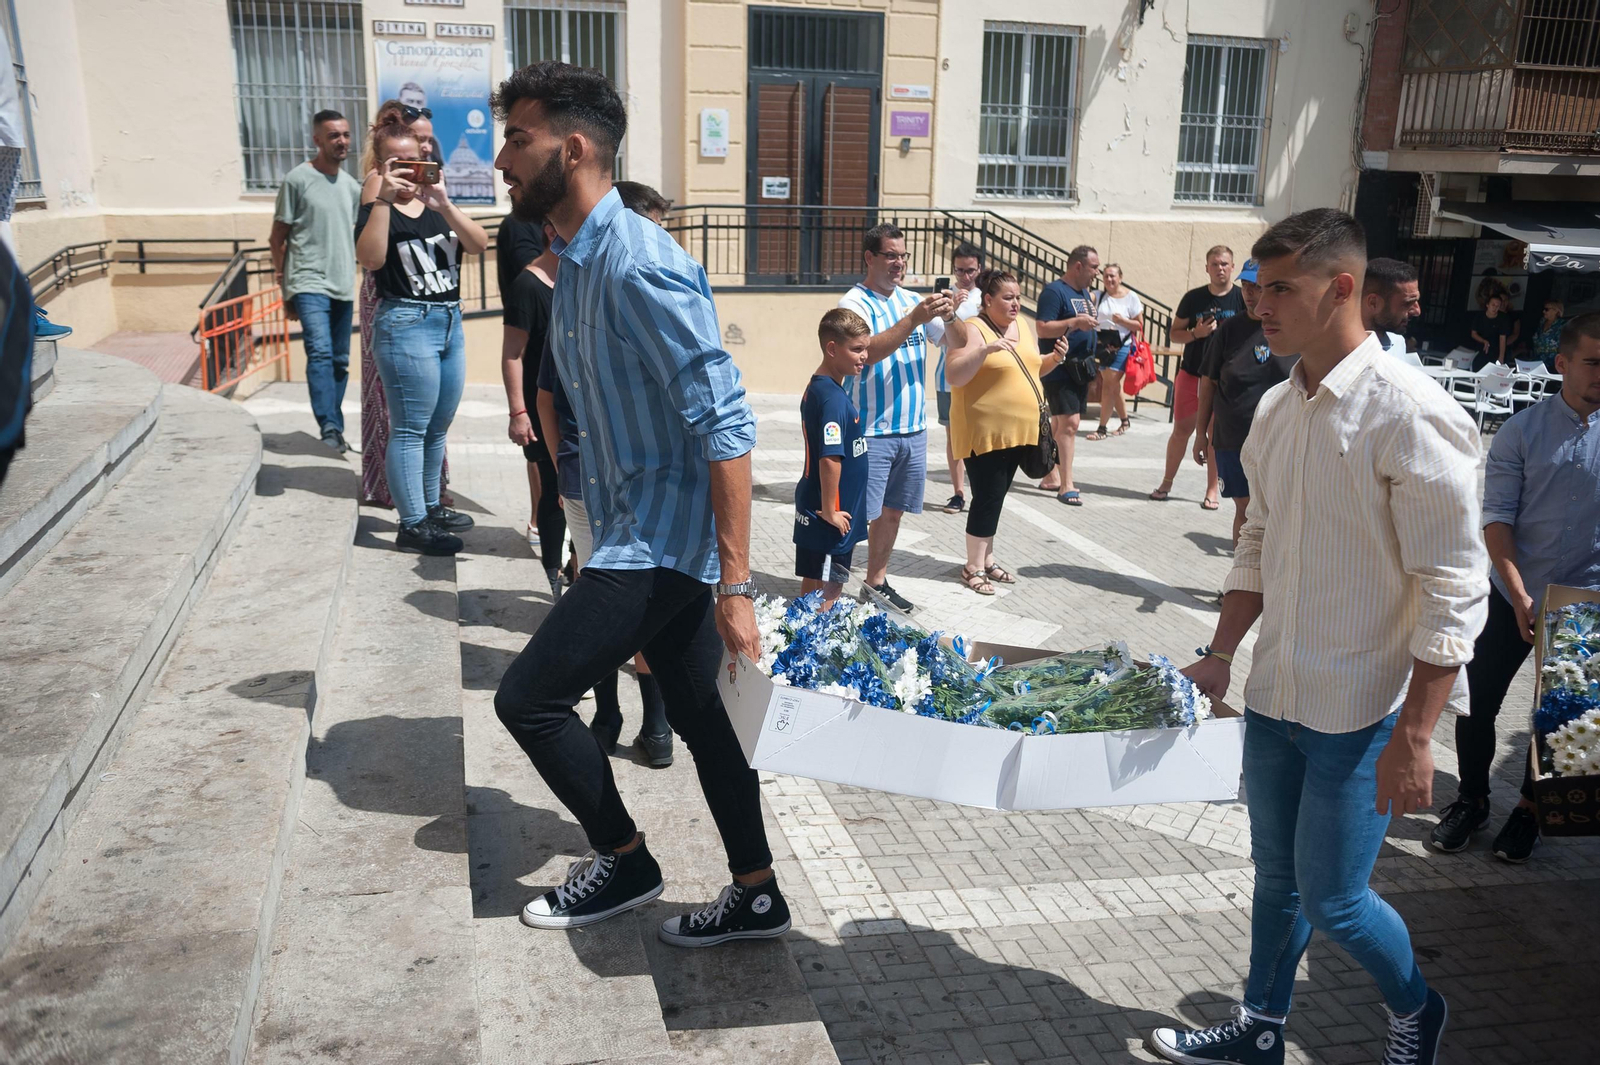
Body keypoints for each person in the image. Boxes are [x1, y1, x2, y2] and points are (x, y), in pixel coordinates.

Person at [1150, 209, 1484, 1065]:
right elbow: (1257, 538)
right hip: (1278, 694)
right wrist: (1223, 654)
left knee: (1335, 901)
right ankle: (1261, 1026)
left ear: (1343, 288)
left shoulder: (1409, 413)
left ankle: (1418, 1004)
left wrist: (1416, 733)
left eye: (1280, 289)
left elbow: (1453, 587)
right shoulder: (1275, 407)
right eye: (1258, 288)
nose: (1260, 306)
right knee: (1274, 879)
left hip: (1361, 709)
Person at [491, 61, 790, 946]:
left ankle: (624, 857)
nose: (503, 158)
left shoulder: (638, 264)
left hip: (662, 547)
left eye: (518, 137)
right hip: (631, 533)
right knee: (704, 722)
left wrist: (735, 584)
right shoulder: (573, 266)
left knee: (528, 701)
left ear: (572, 147)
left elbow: (728, 425)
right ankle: (759, 891)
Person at [1429, 313, 1600, 863]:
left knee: (1564, 718)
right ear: (1563, 363)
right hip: (1511, 594)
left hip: (1584, 601)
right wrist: (1520, 594)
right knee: (1475, 703)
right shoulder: (1521, 431)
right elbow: (1497, 519)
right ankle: (1472, 800)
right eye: (1594, 362)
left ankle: (1529, 811)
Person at [355, 119, 488, 555]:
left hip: (449, 321)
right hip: (405, 324)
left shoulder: (436, 202)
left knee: (437, 426)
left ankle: (430, 506)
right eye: (398, 162)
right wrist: (383, 200)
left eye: (417, 159)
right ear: (381, 164)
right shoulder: (379, 205)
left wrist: (446, 204)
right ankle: (411, 523)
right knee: (410, 429)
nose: (411, 169)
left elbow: (479, 243)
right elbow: (371, 260)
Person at [839, 224, 951, 614]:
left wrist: (952, 318)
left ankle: (875, 583)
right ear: (870, 258)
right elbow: (866, 351)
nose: (899, 262)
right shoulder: (853, 304)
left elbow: (958, 343)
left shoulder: (913, 300)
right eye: (890, 255)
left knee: (892, 511)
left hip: (912, 430)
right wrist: (914, 320)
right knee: (853, 515)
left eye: (902, 255)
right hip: (871, 429)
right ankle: (829, 590)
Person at [944, 269, 1068, 595]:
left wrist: (1054, 358)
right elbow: (954, 374)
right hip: (984, 432)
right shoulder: (971, 328)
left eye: (1018, 297)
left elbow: (1032, 366)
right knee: (986, 497)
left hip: (1019, 431)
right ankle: (972, 566)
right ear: (988, 300)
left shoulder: (1020, 326)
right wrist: (985, 351)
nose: (1016, 304)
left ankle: (987, 559)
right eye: (1008, 297)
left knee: (996, 497)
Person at [358, 100, 449, 508]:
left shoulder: (432, 184)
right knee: (396, 411)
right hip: (392, 302)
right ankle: (399, 498)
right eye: (419, 142)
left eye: (428, 142)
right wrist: (386, 195)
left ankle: (429, 495)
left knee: (432, 419)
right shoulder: (378, 185)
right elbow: (372, 256)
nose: (426, 151)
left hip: (438, 306)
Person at [268, 110, 360, 452]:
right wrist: (284, 283)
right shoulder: (297, 180)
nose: (342, 141)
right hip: (307, 280)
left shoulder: (351, 186)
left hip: (342, 282)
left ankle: (334, 427)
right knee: (320, 353)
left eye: (346, 135)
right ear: (317, 139)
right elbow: (277, 238)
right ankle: (329, 427)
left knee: (339, 359)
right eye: (334, 135)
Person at [1192, 259, 1297, 546]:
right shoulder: (1228, 331)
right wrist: (1201, 433)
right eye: (1246, 286)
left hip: (1280, 440)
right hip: (1233, 439)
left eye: (1258, 286)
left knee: (1273, 512)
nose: (1250, 293)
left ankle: (1267, 582)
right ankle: (1243, 583)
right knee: (1247, 509)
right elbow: (1209, 383)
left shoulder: (1293, 330)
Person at [500, 213, 565, 593]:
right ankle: (551, 574)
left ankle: (576, 568)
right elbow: (512, 355)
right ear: (551, 231)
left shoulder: (578, 278)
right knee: (553, 486)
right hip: (541, 404)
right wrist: (518, 413)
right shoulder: (527, 285)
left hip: (577, 405)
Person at [794, 309, 872, 610]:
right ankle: (817, 644)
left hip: (824, 507)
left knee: (814, 582)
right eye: (856, 349)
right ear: (832, 348)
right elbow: (830, 458)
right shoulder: (831, 398)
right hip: (832, 515)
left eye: (865, 348)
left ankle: (801, 638)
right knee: (831, 587)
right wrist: (830, 511)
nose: (863, 356)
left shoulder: (823, 389)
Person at [1150, 246, 1240, 508]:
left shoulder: (1241, 299)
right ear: (1207, 268)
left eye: (1224, 264)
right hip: (1191, 374)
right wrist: (1195, 335)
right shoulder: (1194, 298)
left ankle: (1212, 490)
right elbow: (1174, 333)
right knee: (1181, 431)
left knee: (1215, 434)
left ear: (1232, 267)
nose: (1220, 268)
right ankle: (1167, 482)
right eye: (1214, 264)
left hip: (1224, 379)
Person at [1034, 245, 1101, 505]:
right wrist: (1074, 322)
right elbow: (1042, 328)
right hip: (1059, 367)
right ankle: (1067, 485)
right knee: (1070, 425)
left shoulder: (1085, 293)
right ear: (1078, 266)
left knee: (1060, 425)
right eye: (1094, 267)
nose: (1097, 272)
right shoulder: (1054, 292)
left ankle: (1050, 475)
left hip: (1080, 369)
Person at [924, 242, 984, 514]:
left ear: (979, 269)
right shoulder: (947, 297)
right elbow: (937, 334)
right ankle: (958, 492)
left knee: (979, 436)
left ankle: (981, 490)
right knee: (954, 436)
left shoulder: (986, 298)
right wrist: (952, 310)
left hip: (979, 377)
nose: (965, 276)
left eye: (970, 270)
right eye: (960, 270)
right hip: (947, 377)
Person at [1087, 263, 1142, 441]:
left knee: (1109, 385)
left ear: (1120, 278)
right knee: (1111, 383)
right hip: (1103, 345)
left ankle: (1102, 429)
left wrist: (1123, 320)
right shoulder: (1098, 295)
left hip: (1122, 344)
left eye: (1113, 276)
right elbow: (1083, 300)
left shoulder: (1131, 297)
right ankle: (1125, 421)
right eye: (1106, 276)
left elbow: (1139, 325)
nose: (1109, 279)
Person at [1361, 257, 1422, 354]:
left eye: (1416, 301)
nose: (1417, 311)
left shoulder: (1398, 343)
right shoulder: (1337, 350)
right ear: (1373, 303)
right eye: (1407, 303)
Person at [1470, 292, 1519, 371]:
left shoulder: (1503, 318)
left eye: (1497, 306)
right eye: (1493, 305)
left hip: (1496, 349)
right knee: (1478, 371)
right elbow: (1473, 334)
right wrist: (1484, 341)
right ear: (1487, 305)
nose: (1495, 308)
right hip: (1481, 349)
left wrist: (1501, 357)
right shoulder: (1479, 316)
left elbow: (1502, 338)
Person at [1531, 299, 1566, 373]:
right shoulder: (1542, 321)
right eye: (1543, 309)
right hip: (1537, 360)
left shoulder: (1562, 325)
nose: (1544, 311)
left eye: (1546, 309)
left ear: (1556, 311)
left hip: (1552, 363)